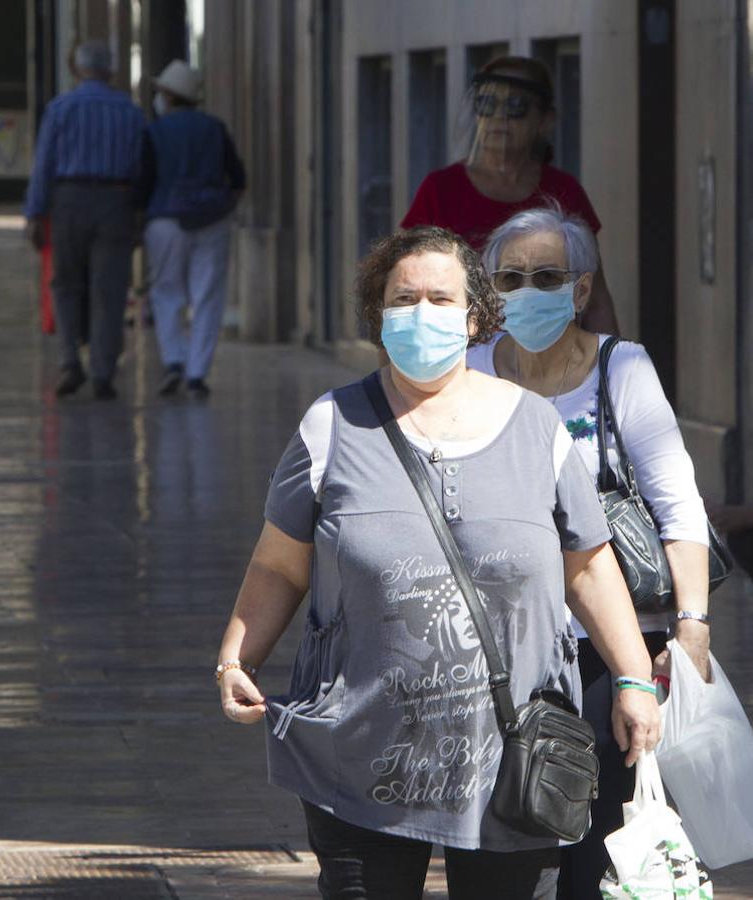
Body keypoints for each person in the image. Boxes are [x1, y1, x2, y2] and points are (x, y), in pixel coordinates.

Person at [216, 225, 662, 899]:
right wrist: (235, 660)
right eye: (403, 298)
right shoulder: (331, 426)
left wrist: (632, 679)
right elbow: (279, 565)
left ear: (475, 316)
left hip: (508, 759)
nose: (421, 313)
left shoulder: (535, 429)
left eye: (439, 298)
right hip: (361, 754)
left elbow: (588, 566)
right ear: (377, 312)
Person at [471, 206, 710, 899]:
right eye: (509, 277)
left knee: (599, 845)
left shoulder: (620, 368)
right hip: (501, 646)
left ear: (579, 290)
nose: (526, 290)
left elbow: (677, 504)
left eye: (545, 276)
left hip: (611, 644)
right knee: (503, 843)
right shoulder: (469, 371)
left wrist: (690, 623)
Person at [401, 56, 619, 336]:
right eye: (487, 105)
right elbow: (401, 288)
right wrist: (392, 376)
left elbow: (596, 300)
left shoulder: (564, 191)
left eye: (516, 107)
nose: (498, 118)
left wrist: (610, 367)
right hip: (463, 360)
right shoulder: (440, 189)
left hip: (552, 359)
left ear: (545, 120)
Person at [24, 40, 146, 400]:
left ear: (77, 70)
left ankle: (69, 363)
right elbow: (141, 167)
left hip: (68, 200)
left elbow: (43, 163)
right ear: (111, 70)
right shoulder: (130, 112)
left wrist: (34, 213)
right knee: (109, 290)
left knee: (65, 284)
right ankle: (103, 371)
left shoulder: (61, 109)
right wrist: (137, 214)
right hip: (116, 200)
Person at [135, 59, 244, 399]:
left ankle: (174, 362)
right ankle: (197, 373)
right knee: (208, 295)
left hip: (164, 220)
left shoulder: (155, 131)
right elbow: (238, 178)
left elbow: (144, 181)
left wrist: (140, 219)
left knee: (166, 292)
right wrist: (224, 206)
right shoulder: (214, 128)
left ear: (167, 95)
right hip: (211, 219)